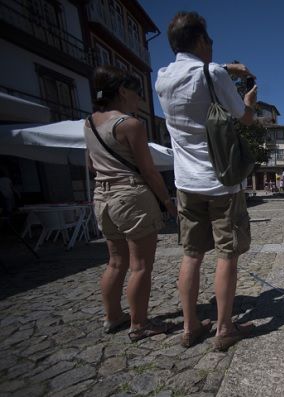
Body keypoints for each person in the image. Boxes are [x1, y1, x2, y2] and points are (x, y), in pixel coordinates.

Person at [155, 11, 257, 350]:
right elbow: (244, 118)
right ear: (201, 41)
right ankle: (224, 328)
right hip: (222, 181)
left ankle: (189, 326)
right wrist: (248, 102)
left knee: (192, 253)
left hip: (186, 183)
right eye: (209, 40)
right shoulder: (213, 74)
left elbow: (193, 72)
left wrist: (226, 67)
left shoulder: (162, 78)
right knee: (227, 254)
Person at [84, 65, 177, 342]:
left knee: (115, 263)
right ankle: (139, 324)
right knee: (140, 266)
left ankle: (112, 317)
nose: (139, 99)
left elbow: (90, 164)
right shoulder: (130, 124)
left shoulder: (89, 123)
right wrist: (167, 202)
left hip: (102, 197)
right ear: (123, 91)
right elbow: (149, 171)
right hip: (131, 196)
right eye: (137, 93)